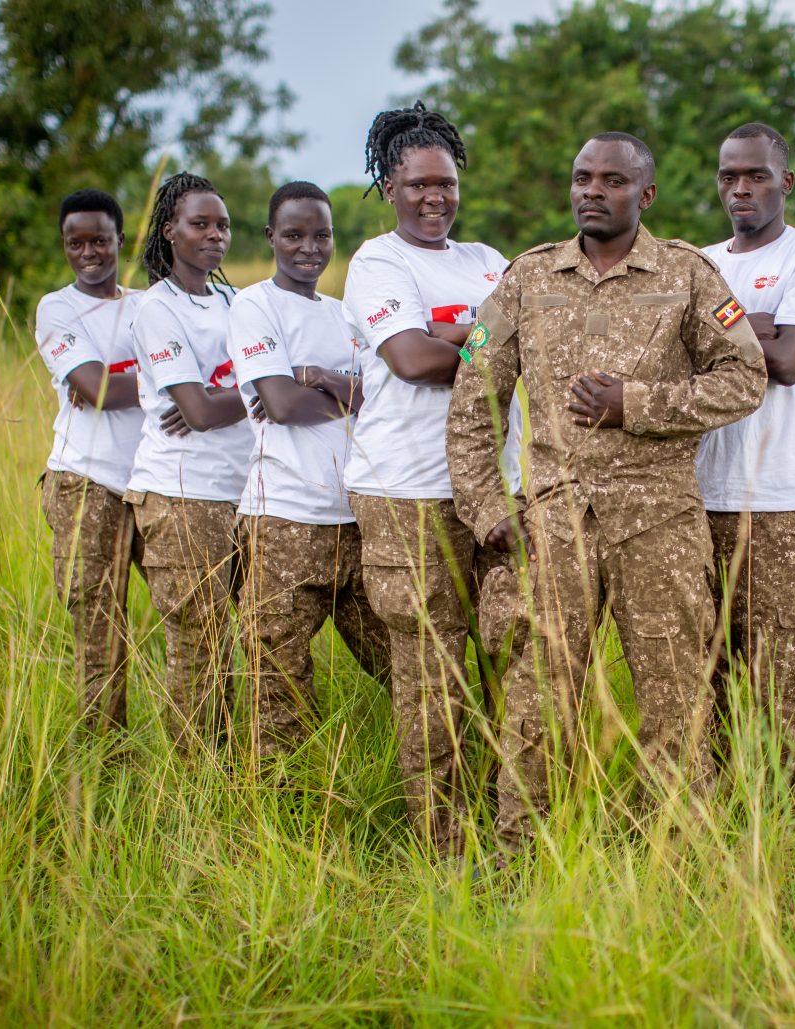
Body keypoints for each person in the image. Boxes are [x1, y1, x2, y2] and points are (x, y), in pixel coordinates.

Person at [447, 132, 767, 854]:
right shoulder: (527, 279)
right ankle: (520, 857)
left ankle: (683, 857)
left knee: (677, 695)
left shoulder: (688, 274)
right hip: (554, 522)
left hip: (659, 521)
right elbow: (474, 397)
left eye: (612, 180)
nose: (593, 190)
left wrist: (639, 405)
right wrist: (488, 508)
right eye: (582, 176)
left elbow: (745, 377)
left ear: (645, 194)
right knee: (536, 696)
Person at [340, 103, 523, 855]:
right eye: (416, 184)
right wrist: (487, 338)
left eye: (444, 183)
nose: (433, 198)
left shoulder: (488, 259)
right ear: (389, 185)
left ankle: (514, 825)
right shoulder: (378, 263)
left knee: (517, 654)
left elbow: (533, 343)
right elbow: (412, 361)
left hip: (492, 489)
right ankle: (443, 847)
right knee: (432, 670)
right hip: (406, 493)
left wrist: (454, 332)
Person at [695, 123, 795, 805]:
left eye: (756, 175)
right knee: (711, 669)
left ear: (785, 181)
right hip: (697, 498)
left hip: (781, 497)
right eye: (730, 176)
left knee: (793, 671)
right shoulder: (694, 259)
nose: (741, 188)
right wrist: (754, 318)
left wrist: (720, 322)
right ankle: (736, 808)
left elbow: (786, 362)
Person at [230, 181, 394, 762]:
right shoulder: (254, 306)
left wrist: (321, 377)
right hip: (286, 519)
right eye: (294, 234)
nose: (309, 247)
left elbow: (385, 394)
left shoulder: (346, 315)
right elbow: (282, 406)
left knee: (400, 663)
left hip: (359, 518)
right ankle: (285, 807)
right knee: (276, 675)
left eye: (321, 234)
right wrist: (350, 392)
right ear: (271, 237)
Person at [124, 171, 252, 755]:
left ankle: (229, 769)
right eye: (200, 224)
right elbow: (196, 411)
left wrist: (228, 400)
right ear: (170, 230)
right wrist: (267, 393)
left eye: (222, 225)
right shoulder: (157, 309)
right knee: (198, 646)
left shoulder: (234, 301)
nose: (214, 235)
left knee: (242, 639)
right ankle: (194, 784)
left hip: (241, 490)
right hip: (180, 494)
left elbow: (210, 402)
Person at [36, 189, 144, 739]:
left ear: (120, 240)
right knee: (100, 635)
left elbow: (107, 385)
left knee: (199, 617)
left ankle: (204, 755)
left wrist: (122, 384)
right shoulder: (58, 309)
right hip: (85, 483)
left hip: (152, 484)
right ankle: (107, 761)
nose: (88, 253)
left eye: (99, 240)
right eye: (75, 243)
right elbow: (96, 389)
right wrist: (171, 384)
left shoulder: (148, 305)